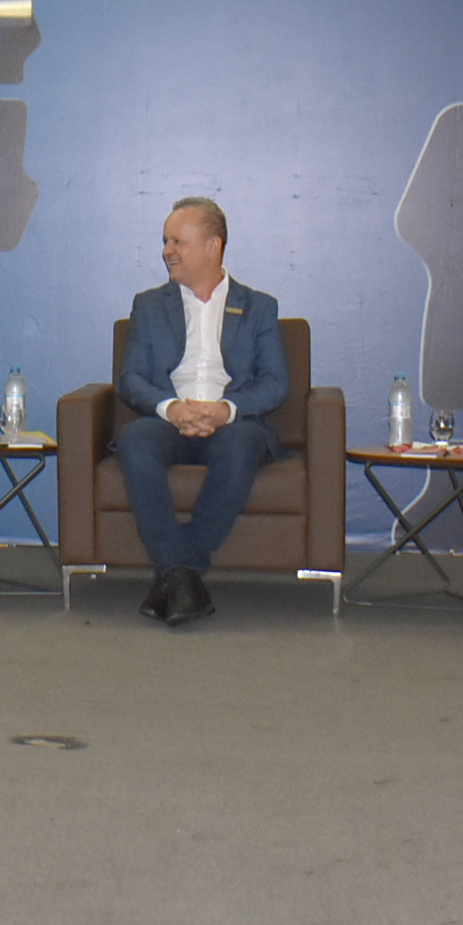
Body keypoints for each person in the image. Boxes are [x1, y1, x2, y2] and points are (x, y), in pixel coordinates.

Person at [113, 196, 289, 627]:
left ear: (213, 246)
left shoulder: (259, 307)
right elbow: (131, 379)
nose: (167, 251)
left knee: (242, 443)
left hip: (231, 424)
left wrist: (226, 410)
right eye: (165, 241)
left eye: (178, 241)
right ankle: (183, 573)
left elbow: (274, 382)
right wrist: (171, 408)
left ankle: (176, 573)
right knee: (134, 441)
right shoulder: (149, 305)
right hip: (169, 421)